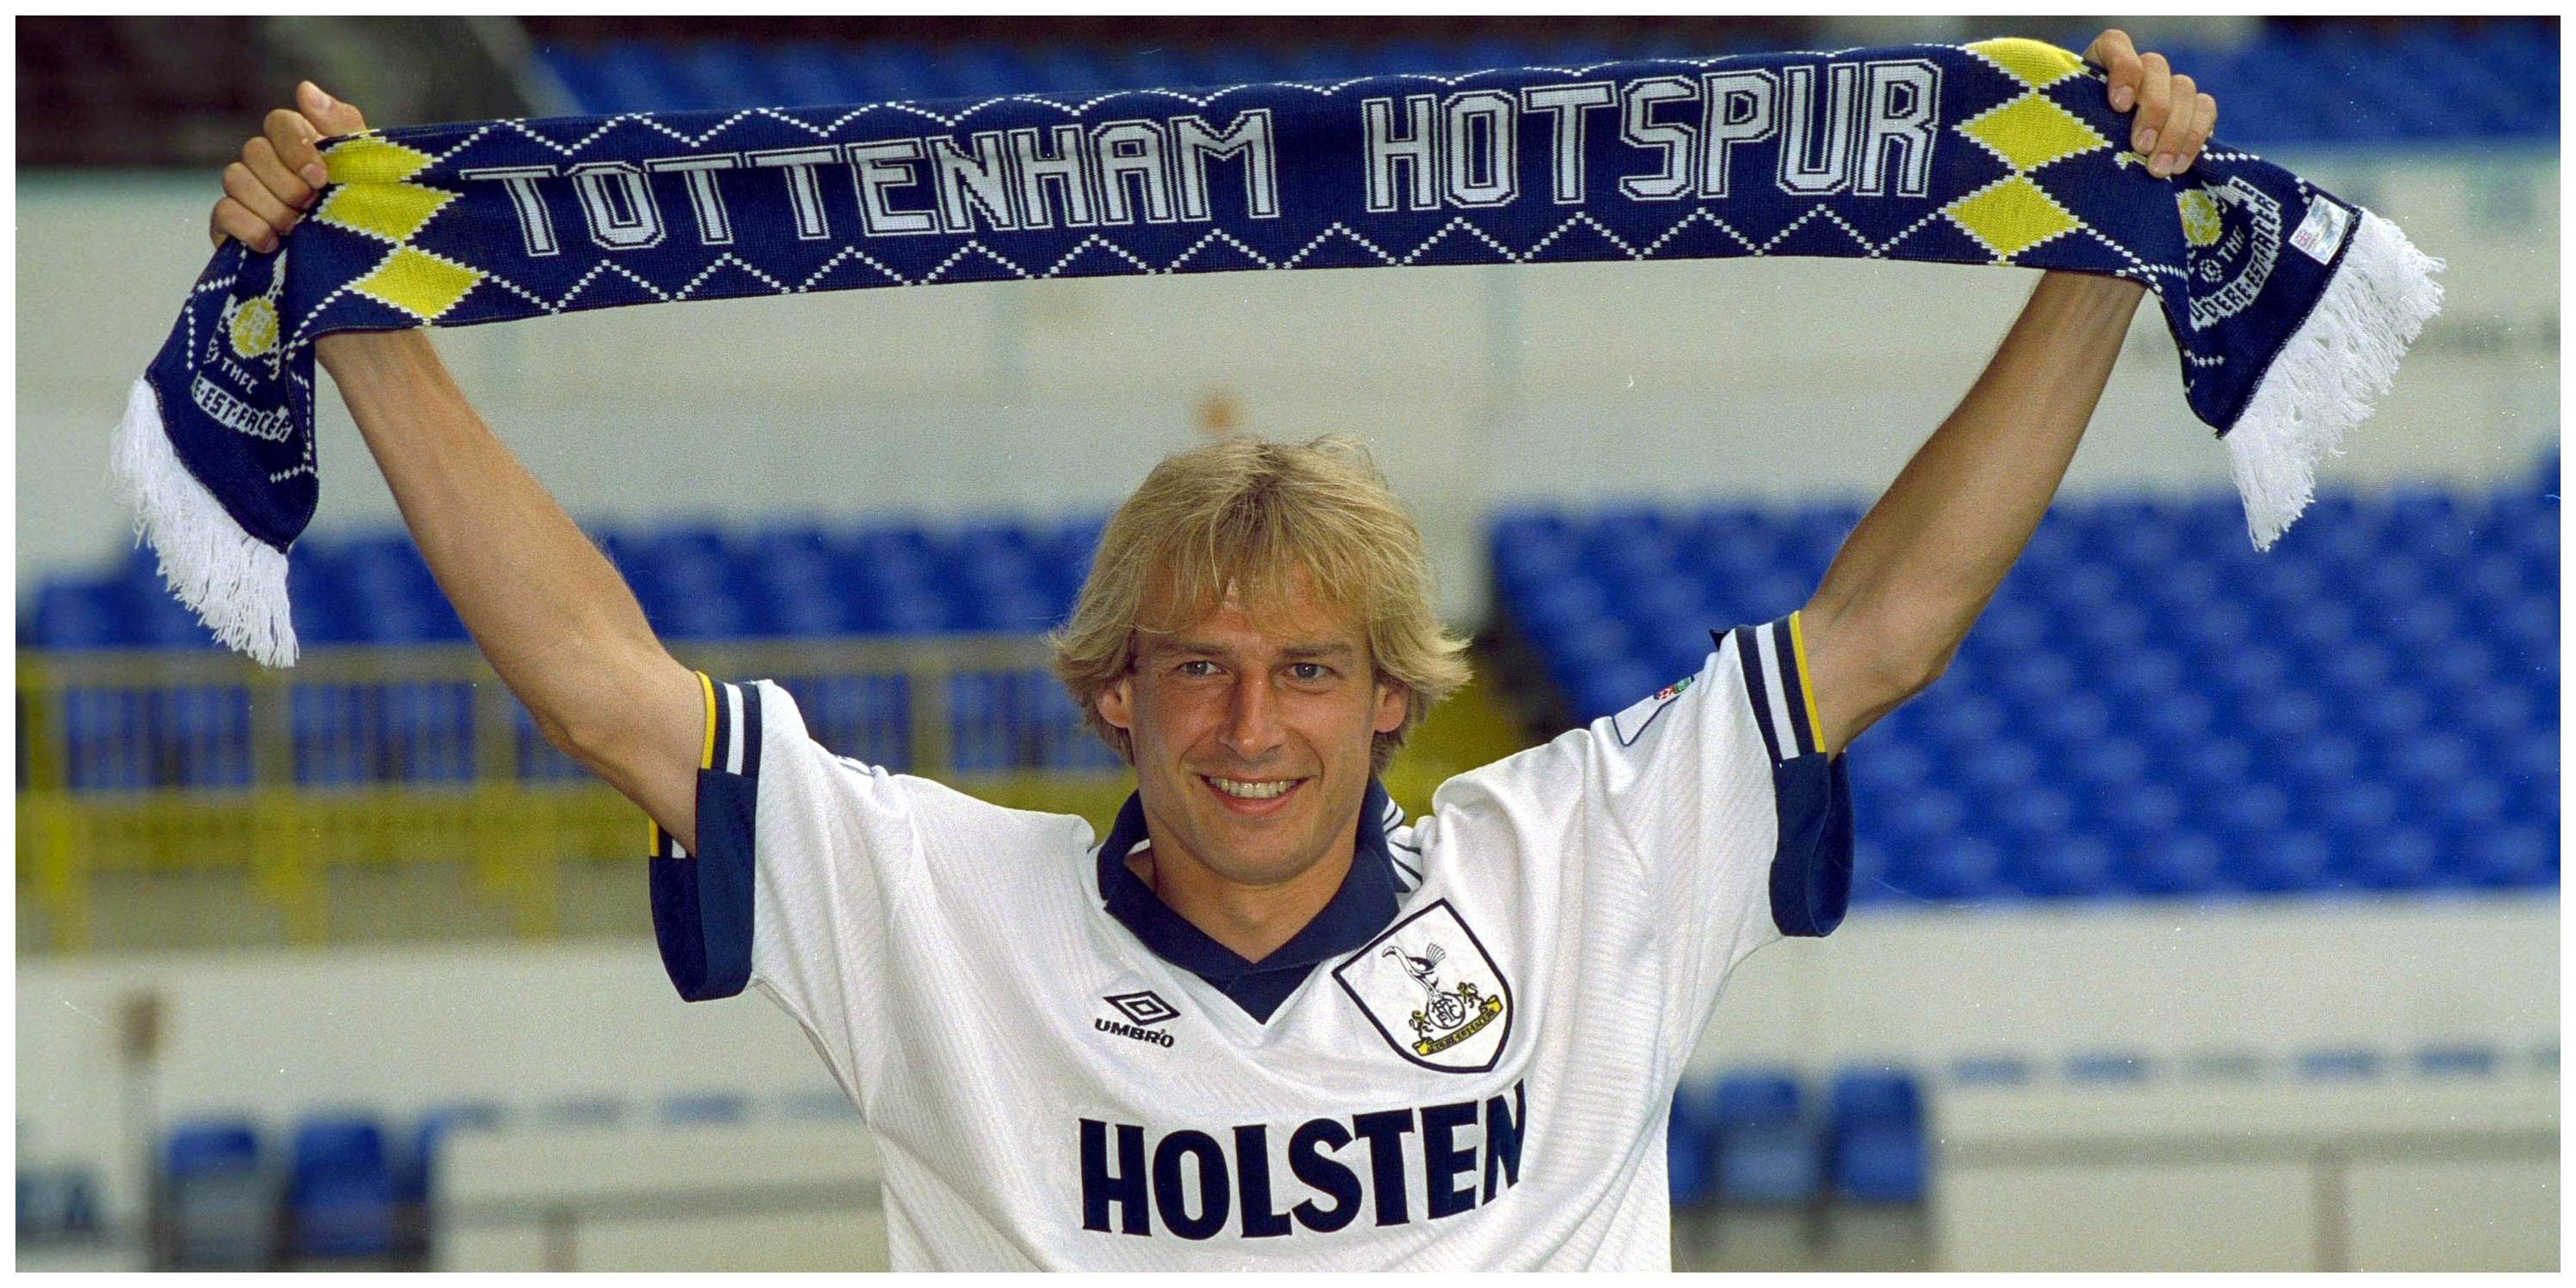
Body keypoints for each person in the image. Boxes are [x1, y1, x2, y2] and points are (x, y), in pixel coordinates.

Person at [210, 30, 2215, 1269]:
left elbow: (1887, 626)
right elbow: (604, 689)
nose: (1253, 724)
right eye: (1198, 668)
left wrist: (2100, 261)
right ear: (1116, 694)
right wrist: (361, 318)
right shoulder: (935, 908)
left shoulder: (1589, 859)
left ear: (1397, 698)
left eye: (1311, 669)